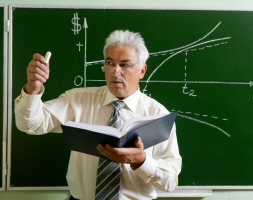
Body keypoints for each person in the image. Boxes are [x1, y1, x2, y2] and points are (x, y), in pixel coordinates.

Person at [15, 30, 182, 200]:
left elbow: (170, 182)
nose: (115, 72)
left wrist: (141, 161)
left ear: (142, 71)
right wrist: (33, 89)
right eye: (110, 63)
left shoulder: (158, 115)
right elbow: (29, 124)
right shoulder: (78, 100)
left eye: (125, 65)